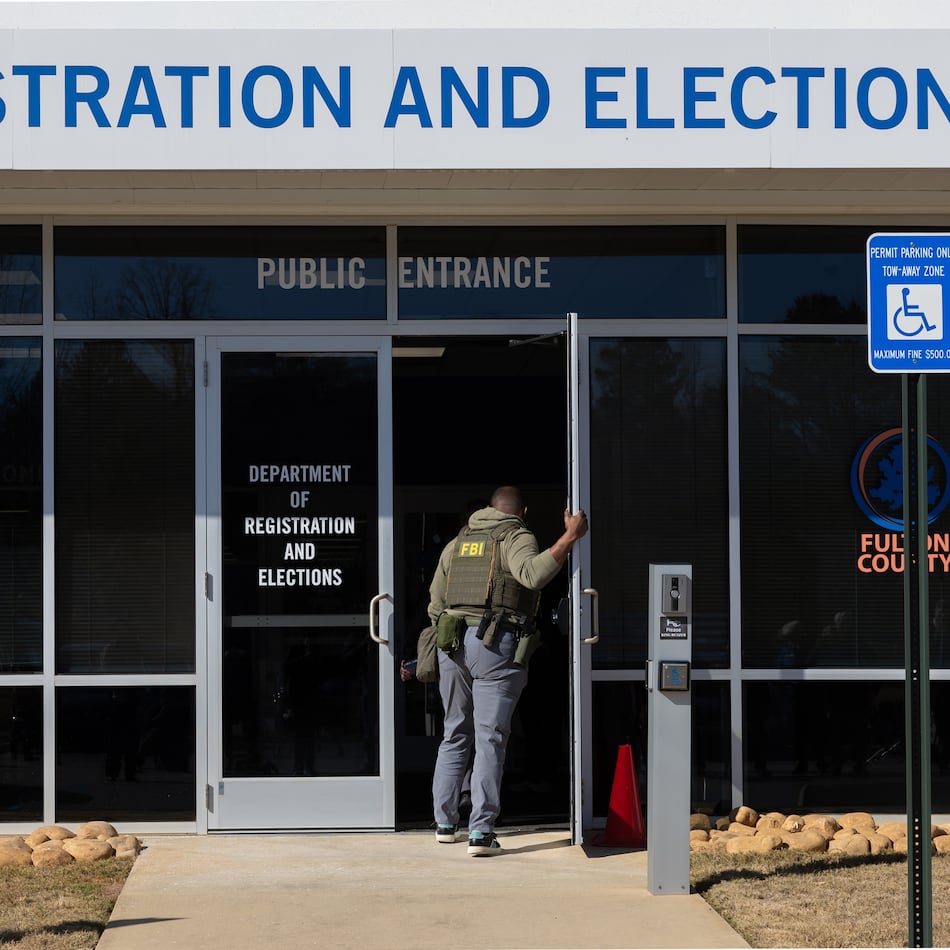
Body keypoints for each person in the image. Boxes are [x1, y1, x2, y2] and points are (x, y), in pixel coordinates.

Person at [427, 485, 588, 856]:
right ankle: (480, 833)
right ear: (523, 511)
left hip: (450, 644)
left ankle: (445, 824)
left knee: (454, 733)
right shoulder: (515, 535)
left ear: (488, 509)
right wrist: (569, 536)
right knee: (490, 738)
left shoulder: (458, 542)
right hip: (494, 644)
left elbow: (436, 604)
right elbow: (532, 575)